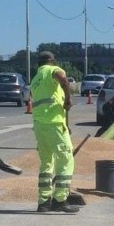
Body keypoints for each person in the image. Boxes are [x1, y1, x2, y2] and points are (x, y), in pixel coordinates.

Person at [30, 51, 78, 213]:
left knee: (46, 163)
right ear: (52, 61)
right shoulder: (52, 70)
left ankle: (43, 202)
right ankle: (60, 199)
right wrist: (69, 98)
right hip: (54, 123)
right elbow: (62, 78)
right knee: (66, 159)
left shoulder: (35, 79)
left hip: (39, 125)